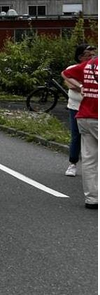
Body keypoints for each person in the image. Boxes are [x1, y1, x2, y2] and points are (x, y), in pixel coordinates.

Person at [62, 53, 98, 209]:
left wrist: (82, 87)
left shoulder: (90, 64)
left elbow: (66, 73)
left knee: (89, 159)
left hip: (84, 115)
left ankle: (92, 198)